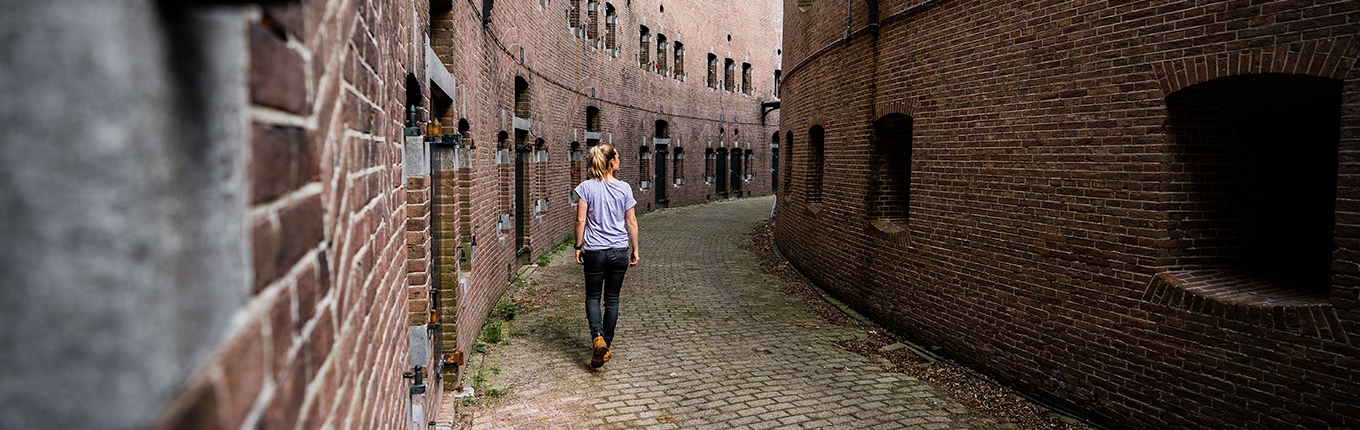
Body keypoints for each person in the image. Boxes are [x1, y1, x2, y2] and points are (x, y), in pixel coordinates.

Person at [573, 143, 640, 369]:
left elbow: (581, 220)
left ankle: (597, 338)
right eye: (618, 156)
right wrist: (635, 249)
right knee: (612, 299)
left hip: (594, 251)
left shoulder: (586, 188)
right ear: (611, 162)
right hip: (619, 250)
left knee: (593, 296)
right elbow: (631, 221)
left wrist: (578, 246)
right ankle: (605, 346)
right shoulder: (625, 188)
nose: (619, 160)